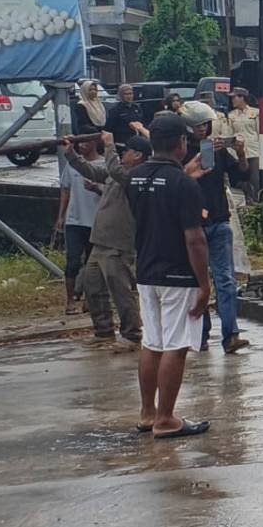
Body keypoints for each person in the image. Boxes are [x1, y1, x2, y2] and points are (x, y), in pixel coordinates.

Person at [126, 112, 211, 439]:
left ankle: (148, 413)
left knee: (153, 343)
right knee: (176, 346)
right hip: (178, 274)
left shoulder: (134, 178)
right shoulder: (184, 185)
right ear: (181, 144)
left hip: (146, 271)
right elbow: (194, 238)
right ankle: (166, 419)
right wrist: (204, 284)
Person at [61, 131, 149, 348]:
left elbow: (113, 170)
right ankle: (103, 331)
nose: (122, 153)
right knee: (93, 287)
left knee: (120, 291)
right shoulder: (116, 173)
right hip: (100, 240)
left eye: (126, 150)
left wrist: (109, 147)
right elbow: (92, 171)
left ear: (138, 155)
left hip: (118, 243)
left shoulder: (136, 175)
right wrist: (71, 155)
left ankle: (131, 334)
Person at [180, 101, 251, 353]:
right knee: (197, 282)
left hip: (219, 222)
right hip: (192, 226)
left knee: (226, 281)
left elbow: (241, 175)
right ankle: (200, 333)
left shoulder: (218, 149)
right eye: (198, 126)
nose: (203, 130)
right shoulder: (181, 154)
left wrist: (241, 152)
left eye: (205, 125)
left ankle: (230, 334)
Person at [57, 128, 103, 315]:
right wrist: (61, 216)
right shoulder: (72, 165)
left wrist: (96, 189)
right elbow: (65, 190)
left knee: (93, 265)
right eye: (79, 143)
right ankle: (70, 301)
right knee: (72, 262)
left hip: (96, 221)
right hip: (75, 220)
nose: (82, 145)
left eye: (86, 141)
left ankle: (90, 299)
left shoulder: (104, 164)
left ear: (94, 142)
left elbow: (110, 191)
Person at [227, 88, 262, 203]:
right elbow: (229, 133)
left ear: (242, 98)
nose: (232, 99)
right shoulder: (231, 115)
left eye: (234, 97)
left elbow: (259, 132)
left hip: (253, 150)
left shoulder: (255, 113)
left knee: (254, 179)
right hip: (238, 152)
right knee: (239, 179)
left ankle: (255, 202)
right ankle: (246, 199)